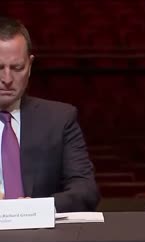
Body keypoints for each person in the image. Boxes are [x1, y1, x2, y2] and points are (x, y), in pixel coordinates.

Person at [0, 16, 98, 212]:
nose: (7, 78)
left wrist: (37, 208)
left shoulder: (59, 119)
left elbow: (85, 190)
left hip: (41, 238)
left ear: (30, 65)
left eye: (17, 68)